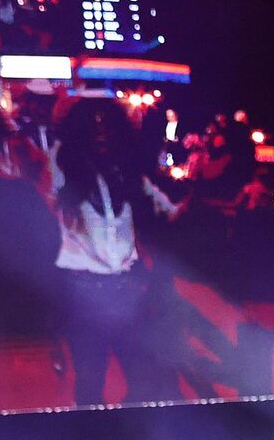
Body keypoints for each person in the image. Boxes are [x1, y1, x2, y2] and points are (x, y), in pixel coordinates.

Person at [41, 96, 185, 408]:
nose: (101, 132)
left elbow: (166, 206)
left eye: (107, 124)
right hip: (84, 292)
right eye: (92, 125)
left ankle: (125, 434)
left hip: (127, 290)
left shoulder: (127, 172)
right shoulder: (65, 165)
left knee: (141, 377)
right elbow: (51, 177)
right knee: (91, 379)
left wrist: (184, 209)